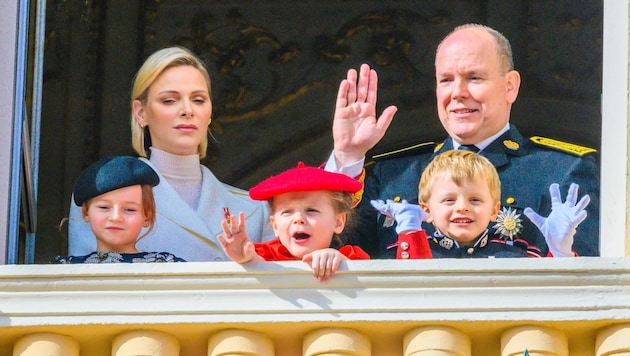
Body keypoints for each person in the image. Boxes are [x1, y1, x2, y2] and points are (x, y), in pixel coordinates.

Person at [68, 46, 365, 262]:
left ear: (209, 113)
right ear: (141, 112)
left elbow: (292, 287)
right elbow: (86, 287)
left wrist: (346, 154)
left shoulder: (253, 208)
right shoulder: (106, 195)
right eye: (169, 100)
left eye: (198, 99)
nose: (187, 110)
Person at [328, 23, 600, 258]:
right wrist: (347, 157)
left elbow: (589, 276)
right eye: (446, 80)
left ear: (510, 86)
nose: (457, 92)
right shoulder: (393, 174)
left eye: (474, 78)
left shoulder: (561, 171)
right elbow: (333, 251)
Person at [371, 150, 589, 258]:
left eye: (475, 200)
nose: (462, 207)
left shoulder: (521, 252)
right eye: (449, 200)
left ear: (495, 211)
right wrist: (410, 231)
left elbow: (552, 293)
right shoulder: (404, 248)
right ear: (426, 209)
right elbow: (410, 291)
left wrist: (560, 252)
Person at [217, 162, 370, 282]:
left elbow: (368, 280)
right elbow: (257, 263)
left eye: (311, 210)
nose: (298, 219)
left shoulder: (352, 256)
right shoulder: (267, 254)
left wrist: (340, 261)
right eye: (287, 212)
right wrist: (244, 257)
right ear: (275, 225)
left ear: (338, 221)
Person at [54, 156, 185, 263]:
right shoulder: (64, 269)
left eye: (129, 209)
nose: (116, 217)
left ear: (147, 216)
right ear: (85, 212)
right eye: (104, 207)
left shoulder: (166, 265)